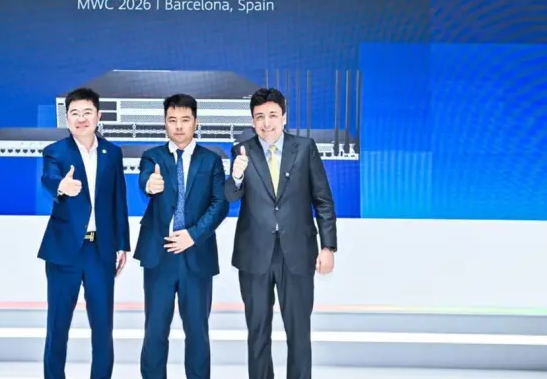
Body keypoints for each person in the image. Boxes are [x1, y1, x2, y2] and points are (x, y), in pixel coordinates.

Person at [225, 88, 337, 379]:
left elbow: (323, 200)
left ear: (284, 117)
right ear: (252, 121)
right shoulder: (242, 151)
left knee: (299, 332)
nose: (267, 123)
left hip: (297, 253)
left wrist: (328, 247)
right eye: (259, 117)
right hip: (255, 256)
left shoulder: (305, 148)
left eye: (273, 115)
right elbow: (230, 196)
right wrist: (236, 175)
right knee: (257, 333)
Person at [38, 87, 131, 379]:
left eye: (87, 112)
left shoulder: (112, 153)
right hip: (63, 251)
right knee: (58, 327)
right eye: (75, 113)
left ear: (98, 116)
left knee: (103, 328)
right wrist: (61, 186)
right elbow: (48, 177)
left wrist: (122, 244)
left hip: (100, 251)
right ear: (66, 118)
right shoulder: (55, 151)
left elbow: (119, 200)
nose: (81, 119)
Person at [135, 93, 230, 379]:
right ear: (164, 122)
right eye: (172, 120)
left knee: (198, 332)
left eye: (185, 120)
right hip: (159, 256)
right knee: (155, 331)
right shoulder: (152, 157)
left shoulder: (211, 160)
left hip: (196, 255)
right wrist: (150, 185)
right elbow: (145, 180)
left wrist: (193, 235)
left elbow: (220, 203)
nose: (178, 126)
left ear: (196, 122)